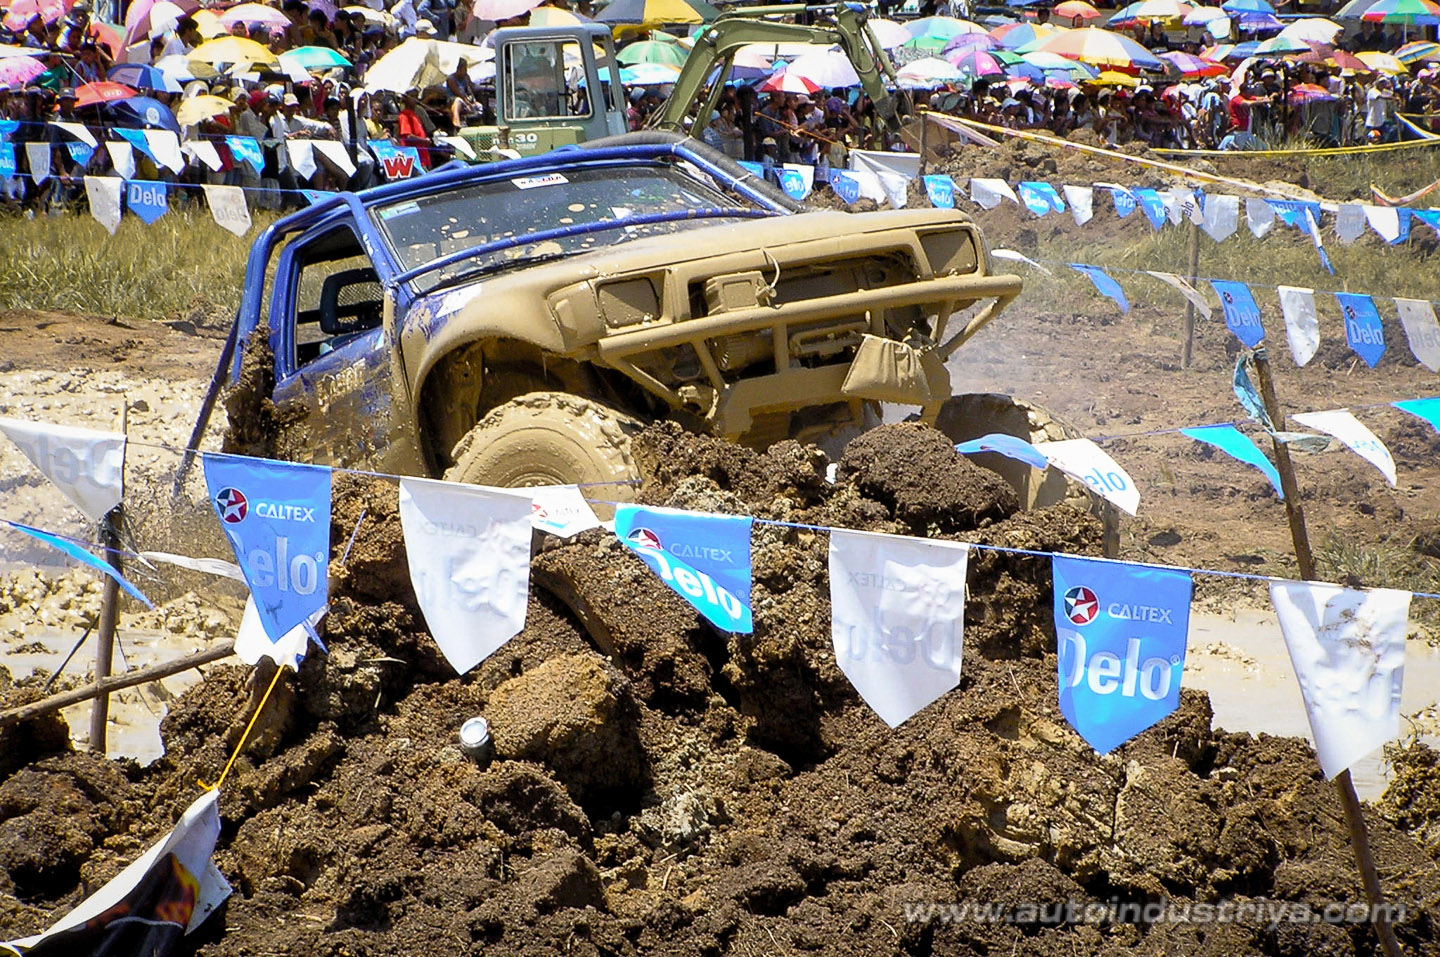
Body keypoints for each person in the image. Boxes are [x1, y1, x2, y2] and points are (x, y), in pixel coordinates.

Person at [1365, 75, 1398, 143]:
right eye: (1381, 82)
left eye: (1384, 82)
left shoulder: (1384, 91)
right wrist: (1391, 98)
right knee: (1372, 141)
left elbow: (1393, 93)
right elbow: (1380, 96)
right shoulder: (1372, 91)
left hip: (1381, 121)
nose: (1382, 84)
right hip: (1373, 123)